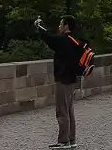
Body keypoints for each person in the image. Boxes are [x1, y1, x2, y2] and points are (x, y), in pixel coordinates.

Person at [34, 15, 83, 149]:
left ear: (66, 26)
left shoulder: (64, 40)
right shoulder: (75, 40)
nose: (59, 27)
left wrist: (39, 26)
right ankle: (71, 139)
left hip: (63, 78)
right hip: (72, 79)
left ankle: (64, 141)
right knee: (69, 110)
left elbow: (48, 38)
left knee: (62, 111)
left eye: (61, 24)